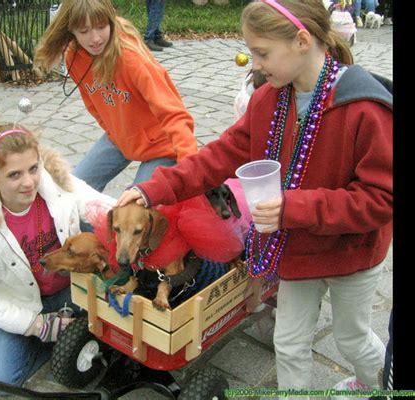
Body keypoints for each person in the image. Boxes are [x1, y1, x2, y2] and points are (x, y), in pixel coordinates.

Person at [117, 0, 393, 397]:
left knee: (351, 338)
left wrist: (294, 208)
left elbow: (380, 199)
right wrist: (151, 189)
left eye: (262, 53)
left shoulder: (364, 109)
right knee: (289, 343)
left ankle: (377, 383)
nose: (255, 64)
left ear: (301, 41)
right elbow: (218, 157)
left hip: (353, 253)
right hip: (298, 249)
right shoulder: (269, 100)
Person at [0, 122, 115, 388]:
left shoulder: (58, 184)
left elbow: (101, 208)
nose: (29, 183)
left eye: (33, 168)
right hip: (22, 303)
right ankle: (61, 334)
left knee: (119, 324)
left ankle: (72, 328)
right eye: (14, 175)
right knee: (3, 382)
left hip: (71, 289)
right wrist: (35, 326)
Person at [34, 0, 196, 195]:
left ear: (110, 21)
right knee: (73, 192)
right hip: (120, 137)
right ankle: (94, 226)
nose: (95, 38)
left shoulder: (131, 59)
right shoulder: (73, 56)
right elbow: (92, 103)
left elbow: (175, 114)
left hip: (162, 143)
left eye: (101, 27)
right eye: (84, 31)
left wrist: (191, 166)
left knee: (137, 206)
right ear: (71, 31)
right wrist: (115, 130)